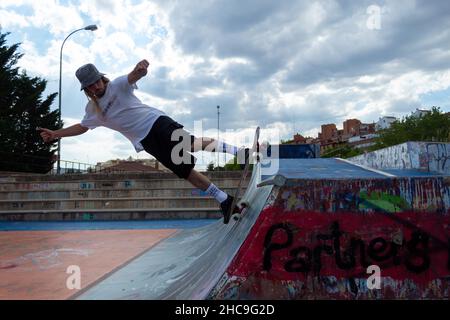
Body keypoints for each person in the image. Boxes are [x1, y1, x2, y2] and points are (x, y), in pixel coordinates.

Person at [38, 60, 248, 224]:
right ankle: (224, 200)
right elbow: (82, 127)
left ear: (102, 78)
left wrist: (141, 69)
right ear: (86, 89)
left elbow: (133, 76)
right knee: (185, 172)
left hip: (156, 122)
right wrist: (56, 134)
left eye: (97, 81)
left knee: (189, 144)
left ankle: (239, 152)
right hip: (145, 141)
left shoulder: (118, 85)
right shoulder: (93, 111)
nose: (96, 86)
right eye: (90, 86)